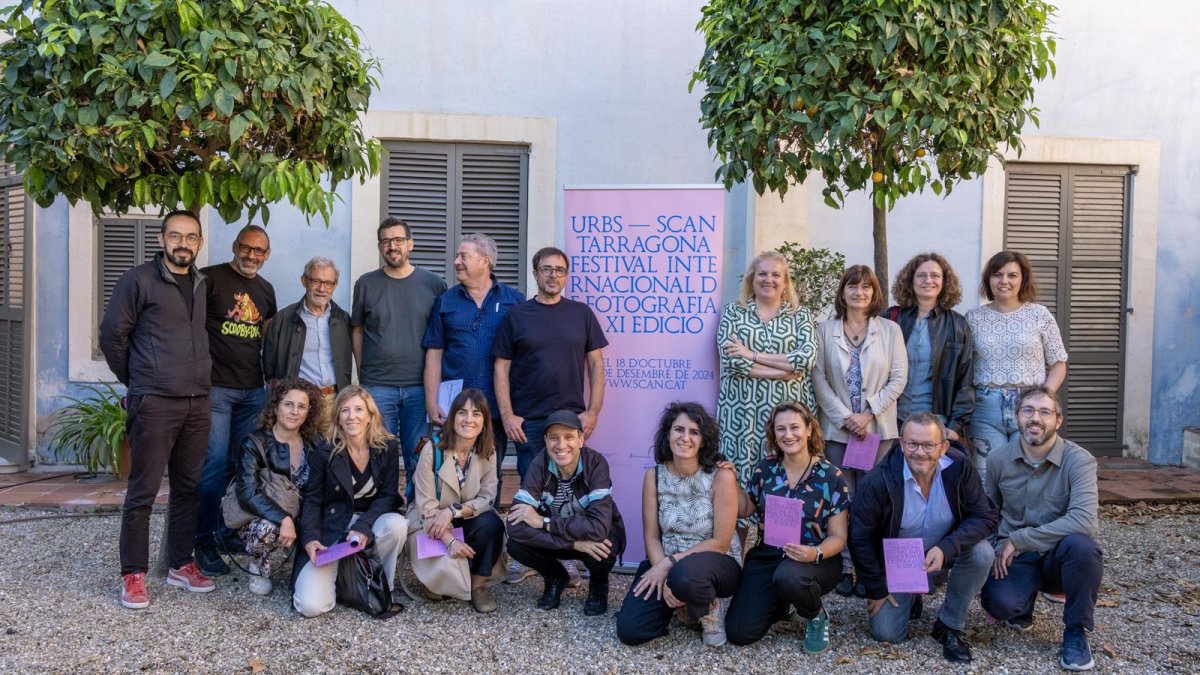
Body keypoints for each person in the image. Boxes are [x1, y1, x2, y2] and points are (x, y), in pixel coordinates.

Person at [99, 209, 215, 609]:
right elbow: (112, 334)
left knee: (188, 488)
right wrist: (140, 381)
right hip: (155, 401)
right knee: (143, 491)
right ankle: (132, 575)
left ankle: (181, 564)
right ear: (162, 239)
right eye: (176, 236)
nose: (183, 243)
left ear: (199, 243)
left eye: (191, 237)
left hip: (197, 400)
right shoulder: (139, 280)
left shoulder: (200, 283)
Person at [493, 246, 607, 584]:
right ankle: (531, 556)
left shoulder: (581, 314)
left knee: (569, 493)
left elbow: (596, 364)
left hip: (570, 421)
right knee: (533, 489)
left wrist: (593, 412)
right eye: (546, 269)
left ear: (566, 274)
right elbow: (501, 367)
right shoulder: (517, 316)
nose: (552, 275)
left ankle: (568, 554)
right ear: (535, 273)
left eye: (559, 269)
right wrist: (508, 414)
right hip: (528, 421)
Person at [849, 413, 998, 663]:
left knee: (982, 552)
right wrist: (876, 588)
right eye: (912, 444)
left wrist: (947, 547)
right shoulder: (878, 479)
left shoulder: (960, 468)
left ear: (944, 446)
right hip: (898, 558)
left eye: (929, 445)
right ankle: (912, 592)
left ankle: (949, 625)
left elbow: (986, 516)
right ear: (900, 443)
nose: (920, 452)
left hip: (943, 548)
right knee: (888, 633)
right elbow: (859, 537)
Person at [980, 386, 1102, 672]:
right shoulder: (998, 459)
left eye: (1044, 412)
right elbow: (988, 513)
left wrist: (1020, 539)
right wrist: (990, 553)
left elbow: (1085, 520)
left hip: (1060, 558)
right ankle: (1022, 604)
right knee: (1000, 605)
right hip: (1017, 558)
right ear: (1017, 417)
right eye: (1028, 411)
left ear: (1058, 420)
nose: (1036, 418)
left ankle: (1075, 631)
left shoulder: (1078, 461)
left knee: (1083, 547)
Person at [725, 402, 849, 654]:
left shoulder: (830, 476)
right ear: (773, 434)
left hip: (814, 559)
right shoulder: (765, 469)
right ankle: (783, 601)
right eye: (781, 429)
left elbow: (839, 537)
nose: (788, 435)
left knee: (789, 576)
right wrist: (731, 480)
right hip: (769, 554)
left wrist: (815, 553)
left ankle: (814, 615)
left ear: (809, 430)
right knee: (739, 633)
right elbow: (746, 509)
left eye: (794, 427)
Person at [813, 264, 907, 596]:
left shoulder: (890, 331)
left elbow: (898, 378)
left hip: (877, 429)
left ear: (874, 293)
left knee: (872, 501)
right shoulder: (824, 330)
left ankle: (870, 570)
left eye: (866, 287)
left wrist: (867, 414)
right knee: (842, 499)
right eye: (852, 286)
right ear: (842, 292)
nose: (859, 292)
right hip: (838, 431)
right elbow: (818, 380)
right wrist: (845, 418)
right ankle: (845, 566)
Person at [616, 402, 741, 648]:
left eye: (694, 432)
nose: (685, 438)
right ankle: (683, 604)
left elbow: (720, 542)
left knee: (685, 576)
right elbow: (652, 536)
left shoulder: (721, 476)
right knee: (630, 631)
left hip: (717, 562)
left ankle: (710, 607)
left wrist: (669, 566)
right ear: (667, 434)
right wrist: (661, 574)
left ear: (704, 440)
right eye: (678, 430)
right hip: (668, 561)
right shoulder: (654, 476)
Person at [195, 224, 278, 576]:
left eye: (259, 251)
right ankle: (202, 542)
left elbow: (266, 337)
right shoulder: (210, 279)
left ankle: (227, 531)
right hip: (216, 388)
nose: (251, 256)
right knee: (212, 468)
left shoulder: (265, 289)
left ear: (267, 254)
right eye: (246, 248)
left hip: (251, 391)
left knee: (238, 467)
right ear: (235, 246)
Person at [421, 234, 524, 509]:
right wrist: (432, 403)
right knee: (451, 473)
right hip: (454, 409)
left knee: (493, 473)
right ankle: (449, 536)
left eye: (463, 256)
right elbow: (434, 352)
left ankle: (487, 535)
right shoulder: (446, 302)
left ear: (485, 261)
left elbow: (525, 354)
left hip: (496, 407)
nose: (456, 262)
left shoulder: (515, 300)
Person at [351, 217, 447, 506]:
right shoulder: (366, 284)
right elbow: (357, 329)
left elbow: (442, 336)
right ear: (380, 246)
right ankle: (384, 511)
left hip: (421, 388)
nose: (392, 246)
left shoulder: (433, 284)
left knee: (420, 454)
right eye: (386, 241)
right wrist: (362, 373)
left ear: (410, 244)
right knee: (380, 453)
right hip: (378, 385)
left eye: (398, 240)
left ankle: (419, 513)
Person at [293, 386, 406, 618]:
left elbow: (387, 496)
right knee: (310, 607)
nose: (351, 416)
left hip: (369, 522)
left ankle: (378, 585)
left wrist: (363, 526)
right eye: (345, 410)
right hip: (332, 527)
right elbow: (312, 499)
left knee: (397, 525)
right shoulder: (325, 451)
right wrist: (311, 538)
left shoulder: (387, 447)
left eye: (358, 409)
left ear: (370, 416)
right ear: (338, 418)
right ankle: (346, 575)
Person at [506, 410, 625, 616]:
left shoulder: (596, 464)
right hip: (573, 539)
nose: (561, 445)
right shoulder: (539, 463)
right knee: (516, 544)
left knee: (606, 543)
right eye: (554, 438)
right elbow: (514, 526)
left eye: (569, 437)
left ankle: (598, 584)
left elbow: (597, 528)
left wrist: (544, 523)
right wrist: (574, 545)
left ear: (581, 439)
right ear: (545, 440)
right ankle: (555, 576)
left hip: (589, 537)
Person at [717, 251, 817, 495]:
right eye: (762, 273)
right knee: (738, 482)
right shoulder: (733, 312)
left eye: (776, 275)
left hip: (788, 413)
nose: (768, 279)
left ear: (785, 282)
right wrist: (783, 372)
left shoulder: (800, 315)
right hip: (742, 412)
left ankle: (780, 534)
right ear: (752, 279)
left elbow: (806, 359)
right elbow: (732, 361)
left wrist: (751, 355)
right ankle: (739, 534)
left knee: (787, 480)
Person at [966, 250, 1067, 482]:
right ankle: (991, 519)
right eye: (997, 275)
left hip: (1030, 405)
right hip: (985, 407)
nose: (1004, 281)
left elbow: (1059, 364)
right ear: (988, 279)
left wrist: (1044, 399)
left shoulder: (1039, 315)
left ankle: (1026, 520)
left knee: (1030, 472)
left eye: (1012, 275)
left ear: (1023, 279)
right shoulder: (973, 318)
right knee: (987, 474)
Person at [406, 388, 507, 613]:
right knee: (441, 588)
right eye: (462, 413)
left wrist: (453, 511)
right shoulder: (432, 450)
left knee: (492, 524)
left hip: (464, 516)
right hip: (430, 521)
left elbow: (487, 498)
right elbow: (426, 507)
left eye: (476, 414)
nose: (469, 419)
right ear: (452, 418)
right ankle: (446, 575)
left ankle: (478, 586)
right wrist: (449, 541)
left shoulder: (488, 450)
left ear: (484, 421)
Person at [230, 378, 325, 597]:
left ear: (309, 412)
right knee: (267, 529)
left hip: (303, 513)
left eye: (302, 406)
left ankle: (301, 553)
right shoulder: (254, 443)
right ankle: (259, 564)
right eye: (288, 404)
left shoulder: (315, 442)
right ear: (276, 406)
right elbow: (247, 493)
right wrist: (284, 519)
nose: (294, 411)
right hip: (261, 515)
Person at [884, 253, 975, 440]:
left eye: (935, 275)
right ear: (911, 280)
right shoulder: (891, 318)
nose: (928, 280)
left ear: (944, 281)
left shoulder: (957, 325)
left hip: (936, 422)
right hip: (891, 418)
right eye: (921, 275)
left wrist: (956, 426)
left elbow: (965, 381)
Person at [262, 257, 353, 397]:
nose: (322, 289)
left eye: (328, 283)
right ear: (304, 281)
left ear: (334, 286)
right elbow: (269, 364)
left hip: (334, 400)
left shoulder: (343, 319)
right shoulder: (283, 318)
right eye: (316, 281)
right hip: (299, 400)